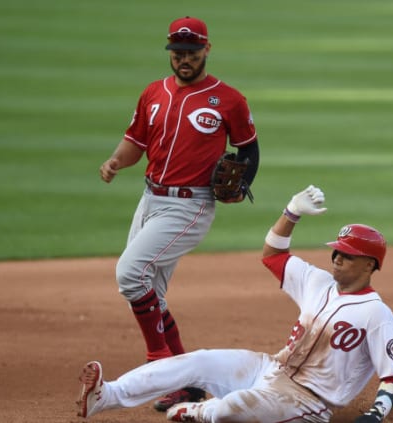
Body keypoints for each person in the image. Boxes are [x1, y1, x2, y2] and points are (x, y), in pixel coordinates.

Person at [76, 185, 393, 422]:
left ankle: (199, 413)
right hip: (269, 368)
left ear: (370, 265)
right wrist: (291, 213)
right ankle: (106, 396)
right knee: (197, 363)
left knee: (229, 407)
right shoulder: (317, 281)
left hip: (306, 402)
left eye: (348, 255)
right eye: (336, 251)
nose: (336, 258)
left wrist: (375, 416)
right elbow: (273, 255)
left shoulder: (376, 314)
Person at [97, 16, 259, 412]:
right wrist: (117, 162)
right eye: (177, 53)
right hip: (150, 199)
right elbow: (135, 141)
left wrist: (241, 183)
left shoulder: (229, 100)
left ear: (206, 49)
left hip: (190, 205)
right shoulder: (153, 93)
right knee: (152, 291)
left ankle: (159, 362)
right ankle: (186, 382)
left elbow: (249, 150)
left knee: (130, 274)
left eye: (191, 52)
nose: (183, 60)